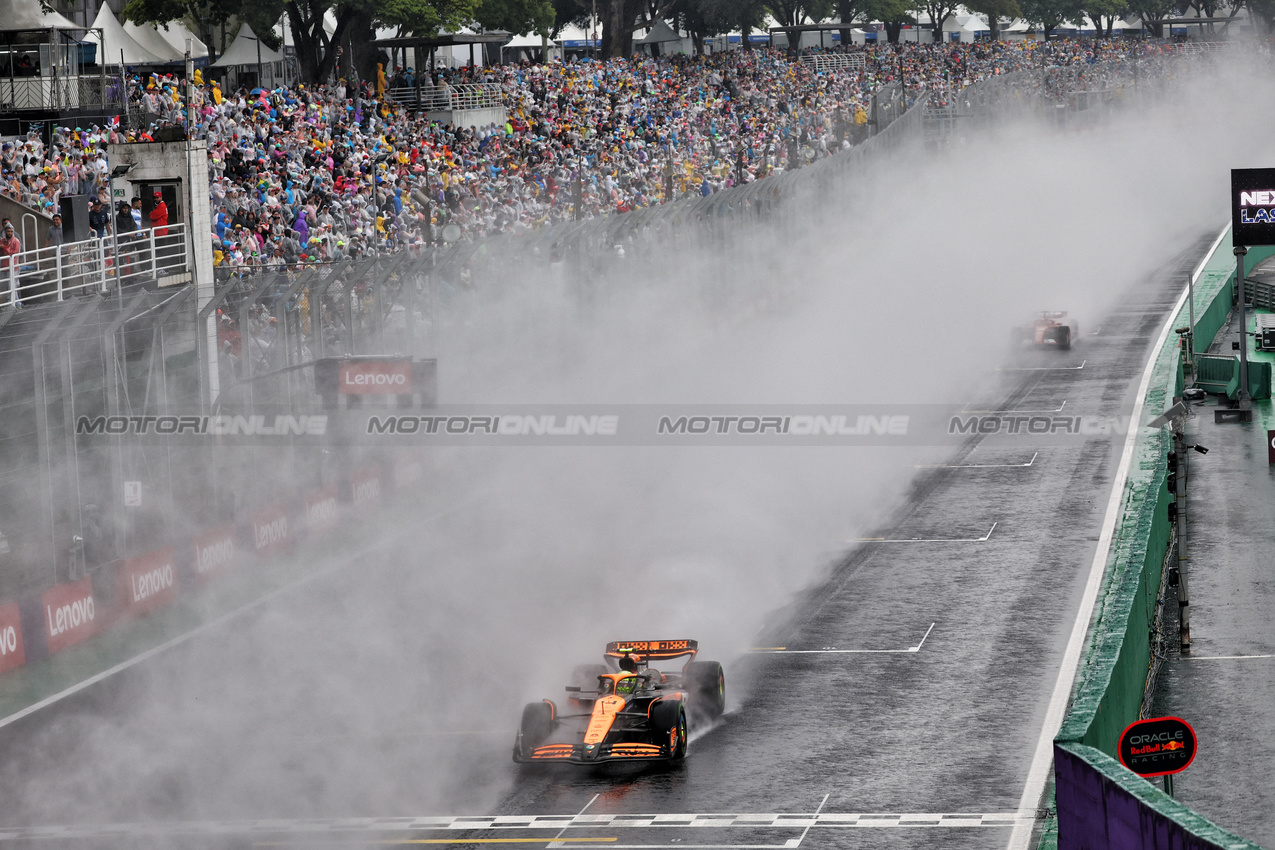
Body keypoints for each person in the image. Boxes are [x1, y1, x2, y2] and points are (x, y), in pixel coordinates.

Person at [0, 222, 22, 306]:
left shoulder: (16, 241)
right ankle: (16, 303)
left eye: (11, 231)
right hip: (4, 266)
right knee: (9, 286)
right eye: (8, 231)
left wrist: (4, 248)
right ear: (5, 231)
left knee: (11, 286)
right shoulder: (2, 241)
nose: (9, 233)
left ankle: (13, 303)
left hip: (13, 267)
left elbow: (13, 253)